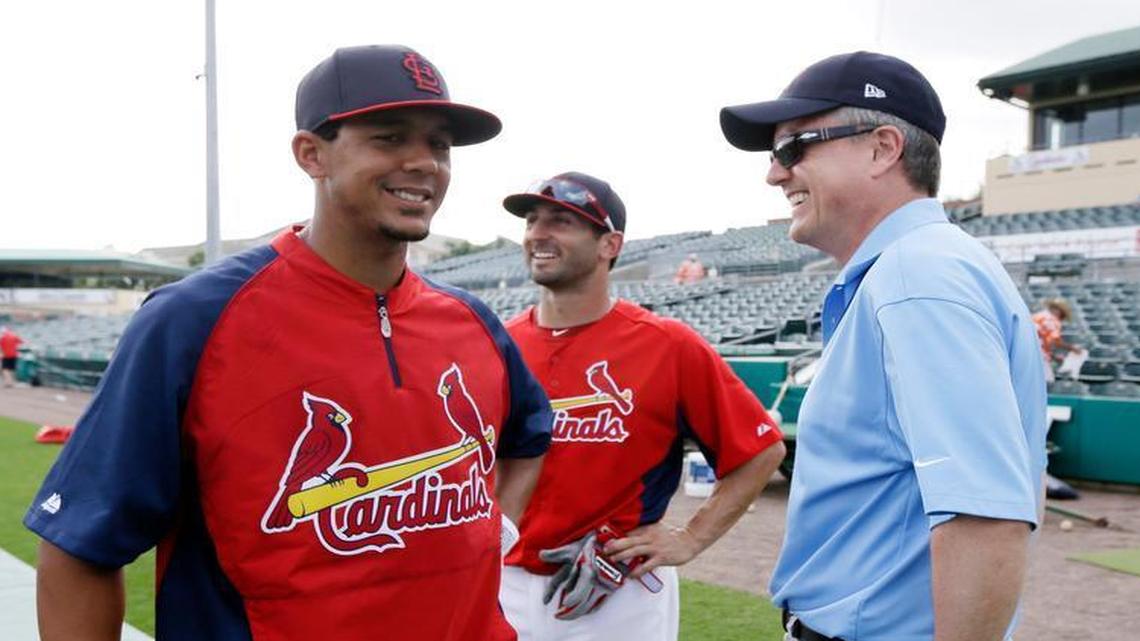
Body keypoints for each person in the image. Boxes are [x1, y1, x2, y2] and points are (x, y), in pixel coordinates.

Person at [25, 45, 552, 641]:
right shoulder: (193, 320)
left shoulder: (473, 323)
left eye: (438, 144)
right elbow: (79, 548)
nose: (424, 162)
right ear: (312, 155)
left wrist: (484, 531)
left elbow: (529, 437)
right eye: (388, 137)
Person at [720, 52, 1046, 641]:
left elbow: (984, 516)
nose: (775, 173)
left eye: (795, 147)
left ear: (883, 148)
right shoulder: (920, 267)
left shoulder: (918, 275)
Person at [497, 171, 786, 640]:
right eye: (532, 220)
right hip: (505, 579)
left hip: (617, 588)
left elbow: (761, 452)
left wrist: (690, 537)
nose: (538, 234)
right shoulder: (500, 345)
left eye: (561, 221)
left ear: (609, 244)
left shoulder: (667, 345)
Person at [1031, 298, 1082, 382]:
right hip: (1039, 356)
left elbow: (1043, 341)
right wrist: (1073, 348)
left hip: (1028, 353)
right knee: (1048, 382)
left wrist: (1053, 357)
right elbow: (1055, 341)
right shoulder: (1053, 320)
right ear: (1058, 310)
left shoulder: (1036, 316)